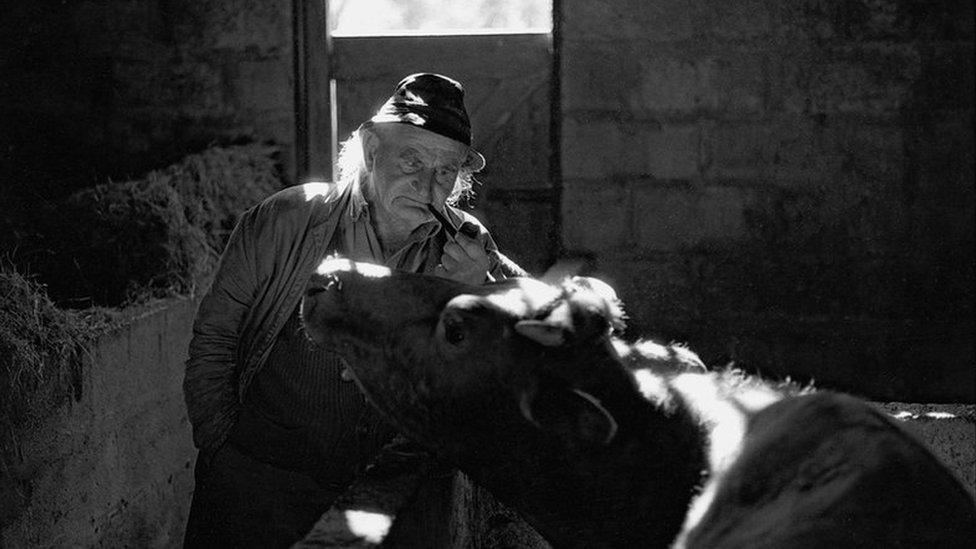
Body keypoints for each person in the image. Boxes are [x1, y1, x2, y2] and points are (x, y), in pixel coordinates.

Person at [182, 73, 526, 547]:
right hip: (260, 483)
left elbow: (537, 320)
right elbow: (216, 336)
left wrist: (476, 292)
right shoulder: (286, 219)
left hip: (378, 492)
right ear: (370, 151)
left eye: (445, 171)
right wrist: (221, 447)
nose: (427, 185)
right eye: (412, 159)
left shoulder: (467, 245)